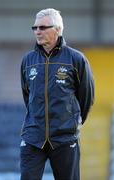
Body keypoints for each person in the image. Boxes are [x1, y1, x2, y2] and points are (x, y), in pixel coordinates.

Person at [20, 8, 94, 180]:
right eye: (35, 27)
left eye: (43, 27)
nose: (37, 31)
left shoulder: (76, 59)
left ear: (58, 29)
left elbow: (87, 97)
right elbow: (27, 96)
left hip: (64, 138)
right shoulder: (27, 61)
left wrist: (70, 123)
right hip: (33, 137)